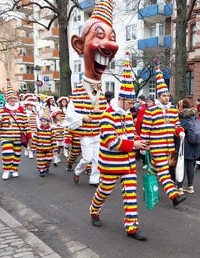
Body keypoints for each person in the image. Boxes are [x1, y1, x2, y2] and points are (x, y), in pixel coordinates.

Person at [89, 52, 150, 240]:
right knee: (104, 192)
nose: (132, 106)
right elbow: (112, 142)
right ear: (121, 99)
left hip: (128, 164)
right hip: (111, 164)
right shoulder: (107, 116)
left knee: (130, 195)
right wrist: (134, 144)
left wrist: (140, 141)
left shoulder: (126, 114)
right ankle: (94, 210)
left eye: (133, 103)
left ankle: (131, 227)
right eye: (130, 102)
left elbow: (131, 134)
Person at [65, 0, 119, 186]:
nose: (109, 44)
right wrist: (83, 119)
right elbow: (69, 117)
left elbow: (111, 112)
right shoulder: (78, 93)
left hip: (99, 133)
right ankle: (79, 171)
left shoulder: (103, 93)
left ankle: (94, 179)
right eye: (100, 35)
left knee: (98, 158)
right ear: (79, 45)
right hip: (86, 134)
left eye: (112, 37)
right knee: (87, 158)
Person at [140, 59, 187, 207]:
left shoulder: (173, 110)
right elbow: (145, 130)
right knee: (165, 173)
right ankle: (174, 197)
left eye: (168, 95)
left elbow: (176, 125)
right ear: (158, 96)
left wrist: (180, 132)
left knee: (154, 169)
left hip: (169, 148)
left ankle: (146, 187)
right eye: (164, 96)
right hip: (157, 147)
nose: (167, 98)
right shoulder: (151, 111)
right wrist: (143, 146)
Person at [0, 89, 28, 180]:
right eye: (10, 98)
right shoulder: (1, 110)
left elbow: (25, 123)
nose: (12, 100)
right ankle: (6, 170)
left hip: (18, 137)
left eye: (14, 98)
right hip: (6, 136)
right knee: (7, 153)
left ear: (16, 99)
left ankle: (15, 169)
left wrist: (28, 134)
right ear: (7, 100)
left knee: (17, 154)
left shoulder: (21, 109)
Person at [177, 98, 200, 194]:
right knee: (190, 166)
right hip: (194, 144)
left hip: (185, 145)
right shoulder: (194, 117)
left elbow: (178, 131)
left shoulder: (182, 118)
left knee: (181, 166)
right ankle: (190, 186)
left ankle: (179, 187)